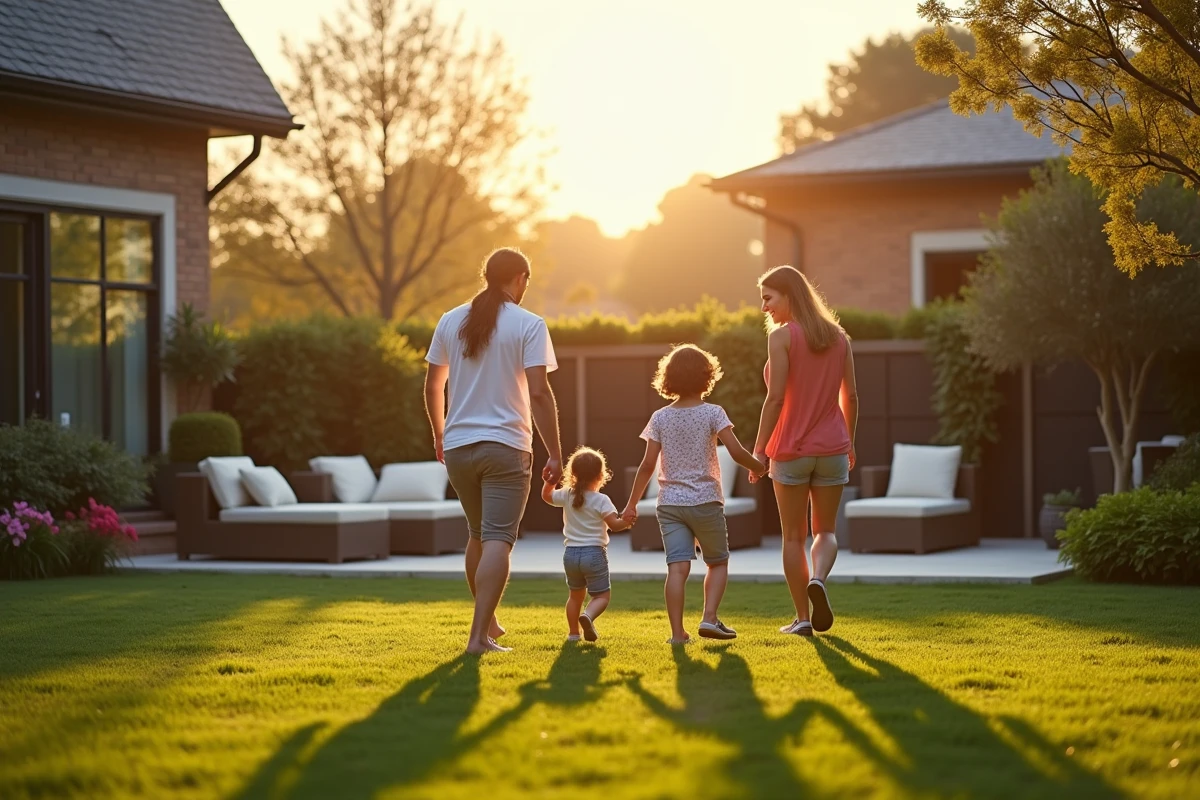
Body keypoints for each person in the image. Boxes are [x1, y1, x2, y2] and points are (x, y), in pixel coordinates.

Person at [424, 247, 562, 655]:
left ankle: (490, 624)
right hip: (506, 447)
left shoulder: (449, 320)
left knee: (477, 536)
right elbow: (539, 393)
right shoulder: (529, 324)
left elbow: (433, 385)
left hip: (458, 448)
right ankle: (478, 639)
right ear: (520, 279)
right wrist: (555, 452)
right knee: (499, 539)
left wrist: (439, 434)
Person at [622, 344, 767, 644]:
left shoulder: (659, 417)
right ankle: (709, 618)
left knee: (677, 569)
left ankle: (677, 634)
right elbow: (736, 451)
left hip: (670, 504)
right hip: (706, 501)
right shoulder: (714, 413)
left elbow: (647, 465)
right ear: (706, 377)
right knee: (717, 562)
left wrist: (631, 504)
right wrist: (759, 467)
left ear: (669, 378)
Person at [751, 265, 858, 637]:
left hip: (790, 450)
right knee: (825, 531)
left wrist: (759, 450)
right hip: (833, 449)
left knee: (793, 538)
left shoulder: (781, 337)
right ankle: (819, 579)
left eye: (768, 298)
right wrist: (850, 442)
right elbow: (851, 397)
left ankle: (803, 619)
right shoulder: (839, 337)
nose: (764, 307)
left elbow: (775, 398)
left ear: (789, 295)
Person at [541, 446, 630, 642]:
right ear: (601, 475)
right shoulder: (602, 500)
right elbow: (614, 525)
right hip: (594, 554)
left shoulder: (567, 494)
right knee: (601, 596)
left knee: (575, 597)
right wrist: (627, 522)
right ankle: (588, 616)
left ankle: (573, 634)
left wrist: (549, 481)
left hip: (571, 555)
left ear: (572, 473)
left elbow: (547, 496)